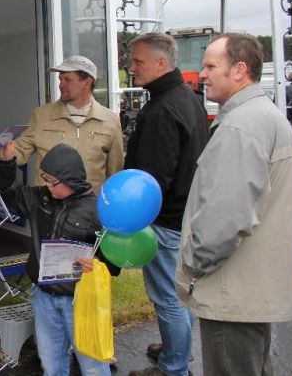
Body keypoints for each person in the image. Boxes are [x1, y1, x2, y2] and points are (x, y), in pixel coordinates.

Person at [175, 33, 292, 375]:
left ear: (240, 70)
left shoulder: (242, 126)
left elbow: (224, 219)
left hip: (231, 291)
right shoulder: (262, 117)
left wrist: (191, 267)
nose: (201, 74)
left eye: (211, 65)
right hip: (248, 289)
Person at [124, 32, 209, 376]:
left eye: (137, 61)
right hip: (186, 217)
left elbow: (153, 180)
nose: (131, 69)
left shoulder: (161, 110)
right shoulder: (188, 100)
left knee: (168, 300)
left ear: (162, 63)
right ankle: (177, 351)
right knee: (180, 296)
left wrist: (134, 217)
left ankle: (174, 367)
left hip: (164, 221)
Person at [0, 142, 118, 376]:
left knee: (92, 365)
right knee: (50, 363)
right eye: (45, 178)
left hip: (79, 300)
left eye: (53, 181)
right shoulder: (39, 199)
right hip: (44, 297)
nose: (48, 186)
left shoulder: (96, 210)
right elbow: (4, 193)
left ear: (71, 180)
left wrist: (99, 262)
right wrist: (6, 162)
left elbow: (115, 258)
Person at [0, 55, 123, 195]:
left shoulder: (110, 120)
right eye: (60, 79)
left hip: (91, 212)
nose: (61, 84)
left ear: (87, 82)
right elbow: (19, 150)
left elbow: (115, 173)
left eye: (67, 80)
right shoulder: (42, 115)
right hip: (47, 209)